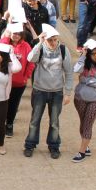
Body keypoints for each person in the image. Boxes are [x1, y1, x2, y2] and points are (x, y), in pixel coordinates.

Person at [24, 24, 73, 159]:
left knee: (54, 121)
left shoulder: (63, 50)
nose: (52, 43)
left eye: (55, 40)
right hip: (39, 91)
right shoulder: (40, 48)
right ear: (45, 39)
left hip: (57, 92)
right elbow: (30, 58)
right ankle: (30, 145)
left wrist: (68, 93)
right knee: (35, 119)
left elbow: (69, 73)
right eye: (50, 40)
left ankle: (54, 146)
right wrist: (39, 43)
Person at [72, 39, 96, 162]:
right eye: (93, 54)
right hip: (80, 98)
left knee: (88, 124)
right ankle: (86, 146)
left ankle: (81, 152)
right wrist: (82, 56)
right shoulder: (84, 62)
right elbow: (76, 70)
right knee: (83, 123)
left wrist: (86, 80)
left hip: (95, 101)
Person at [0, 23, 35, 137]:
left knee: (13, 105)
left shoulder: (26, 46)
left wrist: (26, 77)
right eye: (14, 33)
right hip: (3, 81)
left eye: (19, 34)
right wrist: (6, 37)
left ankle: (9, 125)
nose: (16, 36)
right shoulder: (3, 43)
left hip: (18, 83)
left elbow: (31, 63)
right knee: (0, 104)